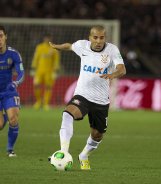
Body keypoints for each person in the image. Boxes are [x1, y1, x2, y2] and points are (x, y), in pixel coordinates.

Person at [49, 25, 126, 170]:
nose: (98, 41)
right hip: (82, 95)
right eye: (95, 37)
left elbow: (122, 69)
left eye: (101, 38)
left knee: (97, 135)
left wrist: (112, 75)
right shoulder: (81, 45)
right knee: (67, 113)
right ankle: (63, 152)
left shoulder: (112, 50)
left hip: (101, 100)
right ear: (90, 37)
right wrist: (58, 47)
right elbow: (69, 46)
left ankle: (84, 155)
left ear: (105, 38)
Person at [0, 25, 25, 157]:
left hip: (9, 91)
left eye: (0, 36)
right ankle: (4, 117)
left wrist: (15, 83)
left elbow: (21, 73)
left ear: (5, 37)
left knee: (14, 119)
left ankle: (10, 149)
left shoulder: (13, 54)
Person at [31, 34, 60, 111]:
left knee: (48, 87)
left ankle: (46, 103)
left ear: (51, 38)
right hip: (39, 71)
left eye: (49, 38)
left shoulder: (53, 48)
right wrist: (33, 68)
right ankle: (38, 102)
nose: (47, 39)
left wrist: (55, 71)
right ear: (44, 38)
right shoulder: (39, 47)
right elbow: (36, 57)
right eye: (46, 38)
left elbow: (56, 60)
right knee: (36, 85)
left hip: (49, 72)